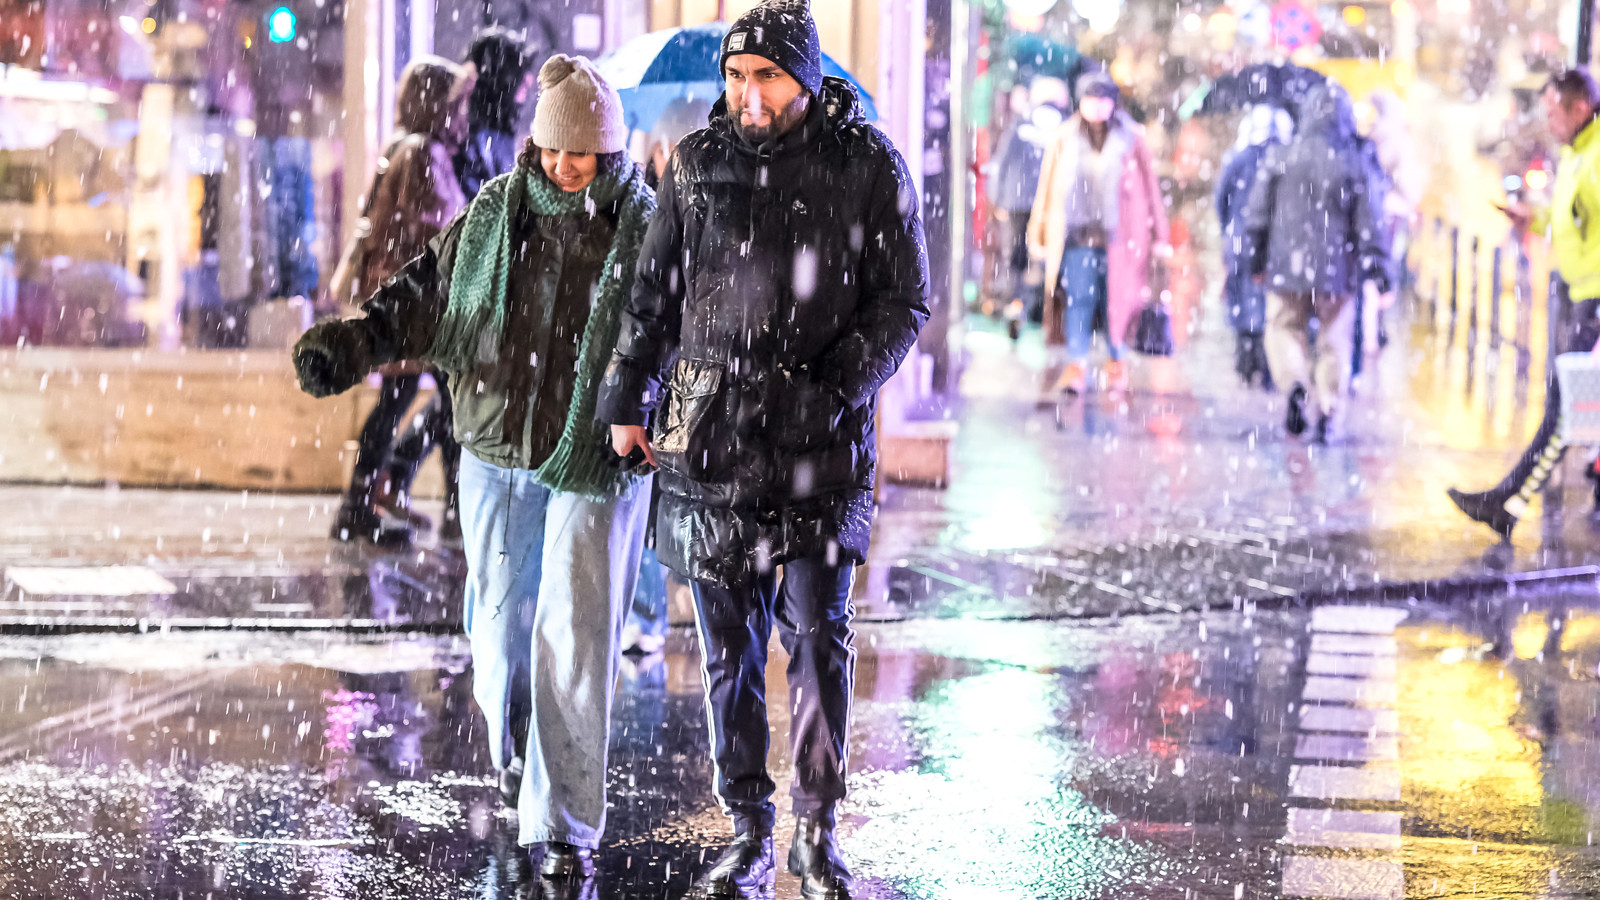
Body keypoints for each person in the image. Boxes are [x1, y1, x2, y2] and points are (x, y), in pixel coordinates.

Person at [292, 55, 655, 885]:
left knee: (574, 634)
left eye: (586, 152)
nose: (568, 166)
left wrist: (659, 410)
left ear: (611, 153)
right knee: (496, 633)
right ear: (534, 145)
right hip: (494, 449)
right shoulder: (496, 213)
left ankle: (561, 824)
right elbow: (423, 290)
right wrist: (358, 340)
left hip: (591, 459)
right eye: (557, 149)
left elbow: (668, 328)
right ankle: (520, 758)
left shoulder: (642, 226)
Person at [596, 1, 930, 896]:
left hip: (820, 450)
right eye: (738, 77)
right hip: (710, 448)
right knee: (728, 652)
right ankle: (746, 826)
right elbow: (653, 297)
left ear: (805, 79)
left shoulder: (866, 164)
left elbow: (904, 303)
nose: (748, 95)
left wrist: (834, 389)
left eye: (767, 77)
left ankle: (816, 832)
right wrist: (626, 397)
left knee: (819, 639)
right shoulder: (697, 165)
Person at [379, 29, 538, 545]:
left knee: (451, 400)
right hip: (467, 289)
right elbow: (463, 216)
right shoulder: (472, 139)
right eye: (521, 76)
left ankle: (416, 487)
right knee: (451, 401)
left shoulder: (481, 133)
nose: (526, 87)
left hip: (472, 288)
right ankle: (435, 499)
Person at [324, 56, 474, 545]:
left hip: (402, 303)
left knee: (407, 401)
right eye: (456, 106)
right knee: (435, 403)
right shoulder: (422, 154)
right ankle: (428, 507)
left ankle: (366, 501)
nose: (462, 117)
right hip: (414, 308)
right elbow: (439, 229)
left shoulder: (405, 147)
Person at [1450, 68, 1600, 537]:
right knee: (1571, 406)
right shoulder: (1577, 153)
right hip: (1580, 295)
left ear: (1581, 107)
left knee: (1566, 409)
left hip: (1594, 299)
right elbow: (1570, 222)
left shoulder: (1594, 157)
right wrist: (1532, 220)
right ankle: (1508, 501)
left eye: (1555, 112)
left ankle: (1507, 503)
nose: (1549, 122)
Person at [1242, 81, 1390, 443]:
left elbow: (1256, 215)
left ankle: (1294, 384)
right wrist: (1379, 267)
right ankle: (1328, 408)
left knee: (1281, 330)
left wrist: (1255, 258)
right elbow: (1370, 222)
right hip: (1337, 272)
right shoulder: (1353, 162)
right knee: (1334, 342)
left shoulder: (1280, 156)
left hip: (1284, 267)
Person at [1028, 71, 1170, 395]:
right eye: (1090, 98)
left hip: (1120, 239)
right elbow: (1047, 189)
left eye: (1103, 99)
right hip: (1077, 238)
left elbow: (1151, 193)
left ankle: (1116, 361)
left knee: (1116, 303)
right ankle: (1077, 366)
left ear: (1113, 103)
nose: (1096, 106)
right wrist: (1037, 233)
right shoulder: (1063, 138)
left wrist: (1160, 237)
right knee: (1079, 300)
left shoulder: (1132, 139)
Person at [1216, 105, 1292, 389]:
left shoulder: (1239, 158)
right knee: (1267, 304)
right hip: (1275, 243)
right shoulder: (1286, 159)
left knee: (1242, 301)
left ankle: (1246, 361)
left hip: (1241, 239)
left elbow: (1221, 197)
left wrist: (1230, 227)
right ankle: (1267, 364)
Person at [988, 85, 1050, 336]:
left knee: (1028, 254)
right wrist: (999, 198)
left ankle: (1026, 305)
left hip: (1035, 202)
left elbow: (1002, 162)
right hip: (1021, 201)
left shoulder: (1047, 128)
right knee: (1018, 253)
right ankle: (1018, 304)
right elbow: (1002, 161)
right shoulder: (1021, 127)